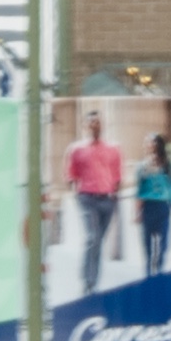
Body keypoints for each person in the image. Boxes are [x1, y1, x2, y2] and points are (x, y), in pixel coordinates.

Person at [62, 117, 125, 300]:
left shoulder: (113, 149)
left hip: (107, 199)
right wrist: (76, 196)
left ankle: (92, 282)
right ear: (84, 126)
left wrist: (115, 195)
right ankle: (87, 282)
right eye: (90, 123)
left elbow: (118, 174)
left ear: (102, 126)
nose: (94, 125)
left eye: (97, 122)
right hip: (87, 198)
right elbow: (70, 175)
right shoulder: (76, 149)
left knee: (98, 242)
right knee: (92, 238)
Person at [135, 134, 171, 279]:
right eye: (147, 142)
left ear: (158, 144)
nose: (149, 144)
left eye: (152, 141)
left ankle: (159, 270)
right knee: (147, 246)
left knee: (163, 245)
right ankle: (148, 275)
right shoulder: (141, 166)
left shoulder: (167, 165)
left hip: (162, 207)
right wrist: (137, 212)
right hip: (148, 207)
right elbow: (139, 191)